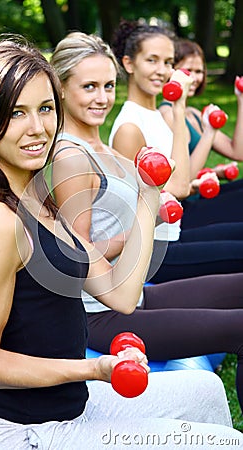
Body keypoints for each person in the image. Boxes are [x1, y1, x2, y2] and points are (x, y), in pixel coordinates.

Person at [0, 35, 240, 450]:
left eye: (45, 109)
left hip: (70, 409)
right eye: (16, 113)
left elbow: (121, 295)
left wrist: (148, 196)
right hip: (29, 434)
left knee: (204, 391)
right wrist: (94, 368)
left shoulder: (39, 204)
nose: (38, 128)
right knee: (225, 444)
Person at [50, 30, 243, 420]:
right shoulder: (70, 157)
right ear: (61, 88)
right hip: (99, 316)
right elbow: (72, 255)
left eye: (107, 86)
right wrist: (143, 219)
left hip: (135, 294)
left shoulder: (99, 145)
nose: (102, 98)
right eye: (88, 86)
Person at [108, 18, 243, 283]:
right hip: (153, 252)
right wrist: (179, 108)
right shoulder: (130, 127)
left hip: (173, 234)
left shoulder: (154, 116)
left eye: (168, 62)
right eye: (152, 60)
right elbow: (180, 188)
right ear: (128, 64)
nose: (162, 70)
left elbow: (181, 179)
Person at [159, 37, 243, 230]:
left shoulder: (194, 115)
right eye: (188, 71)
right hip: (184, 209)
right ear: (172, 71)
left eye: (199, 72)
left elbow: (238, 152)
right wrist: (210, 132)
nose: (194, 78)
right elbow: (184, 180)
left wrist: (241, 99)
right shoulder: (168, 115)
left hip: (201, 196)